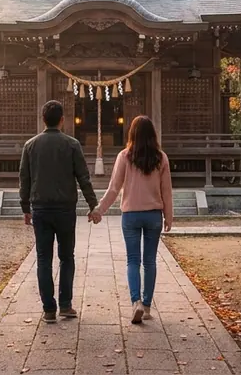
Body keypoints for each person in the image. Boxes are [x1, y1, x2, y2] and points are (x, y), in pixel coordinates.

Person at [19, 100, 100, 323]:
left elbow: (24, 179)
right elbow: (83, 177)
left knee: (43, 258)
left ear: (43, 119)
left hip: (41, 208)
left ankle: (48, 309)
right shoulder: (72, 144)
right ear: (62, 120)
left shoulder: (30, 145)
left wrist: (25, 207)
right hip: (65, 209)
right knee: (67, 257)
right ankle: (65, 305)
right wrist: (93, 205)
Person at [93, 115, 173, 325]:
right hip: (154, 214)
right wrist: (169, 216)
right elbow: (167, 191)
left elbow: (113, 188)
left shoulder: (124, 156)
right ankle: (147, 306)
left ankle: (135, 301)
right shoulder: (161, 158)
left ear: (132, 134)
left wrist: (100, 210)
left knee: (133, 260)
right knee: (150, 261)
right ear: (152, 134)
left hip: (131, 215)